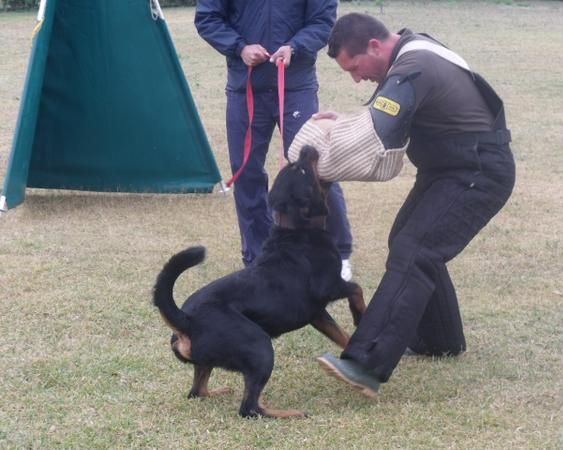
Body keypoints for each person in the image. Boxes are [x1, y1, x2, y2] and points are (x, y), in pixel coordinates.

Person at [294, 13, 516, 397]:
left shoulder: (413, 65)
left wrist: (315, 159)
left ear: (376, 46)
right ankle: (440, 340)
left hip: (477, 171)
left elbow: (372, 137)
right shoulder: (412, 51)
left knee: (417, 250)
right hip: (450, 168)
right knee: (407, 241)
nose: (357, 77)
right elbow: (384, 118)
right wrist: (344, 119)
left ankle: (366, 362)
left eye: (355, 66)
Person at [194, 0, 353, 279]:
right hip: (246, 86)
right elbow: (208, 17)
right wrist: (239, 47)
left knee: (317, 169)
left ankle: (338, 253)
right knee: (246, 172)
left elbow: (323, 21)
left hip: (295, 84)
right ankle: (259, 257)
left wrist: (294, 46)